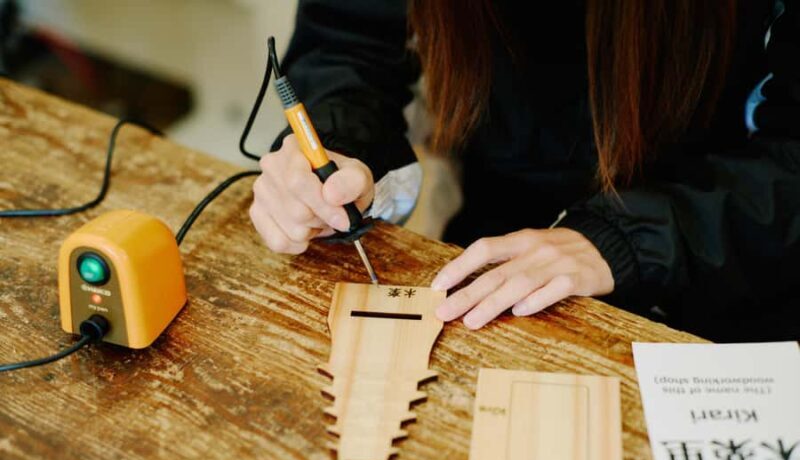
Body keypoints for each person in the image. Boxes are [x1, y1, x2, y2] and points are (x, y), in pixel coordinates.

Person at [249, 0, 800, 342]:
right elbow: (350, 43)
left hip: (731, 265)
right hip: (499, 254)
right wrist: (337, 149)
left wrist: (635, 239)